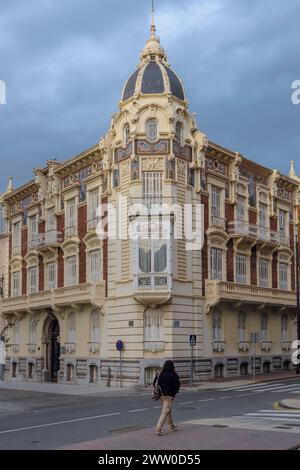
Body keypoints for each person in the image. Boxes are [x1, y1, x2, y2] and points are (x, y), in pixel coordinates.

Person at [153, 360, 181, 436]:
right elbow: (177, 386)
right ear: (172, 366)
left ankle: (172, 426)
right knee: (165, 412)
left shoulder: (160, 374)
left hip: (161, 396)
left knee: (168, 411)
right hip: (169, 397)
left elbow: (154, 383)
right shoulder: (173, 374)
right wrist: (173, 394)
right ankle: (158, 429)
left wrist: (159, 392)